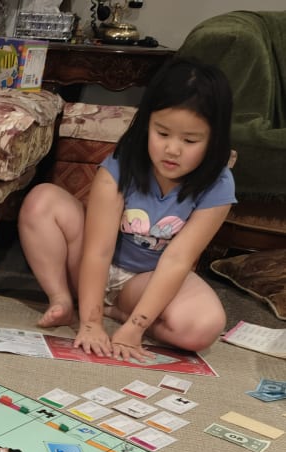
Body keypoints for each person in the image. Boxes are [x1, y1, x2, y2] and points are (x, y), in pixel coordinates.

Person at [18, 57, 235, 361]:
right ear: (147, 124)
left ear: (213, 140)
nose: (172, 150)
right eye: (162, 134)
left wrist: (136, 327)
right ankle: (63, 300)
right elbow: (98, 250)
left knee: (203, 328)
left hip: (143, 281)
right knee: (42, 200)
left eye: (190, 140)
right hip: (90, 262)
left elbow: (177, 260)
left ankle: (117, 311)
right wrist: (91, 323)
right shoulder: (120, 166)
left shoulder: (219, 184)